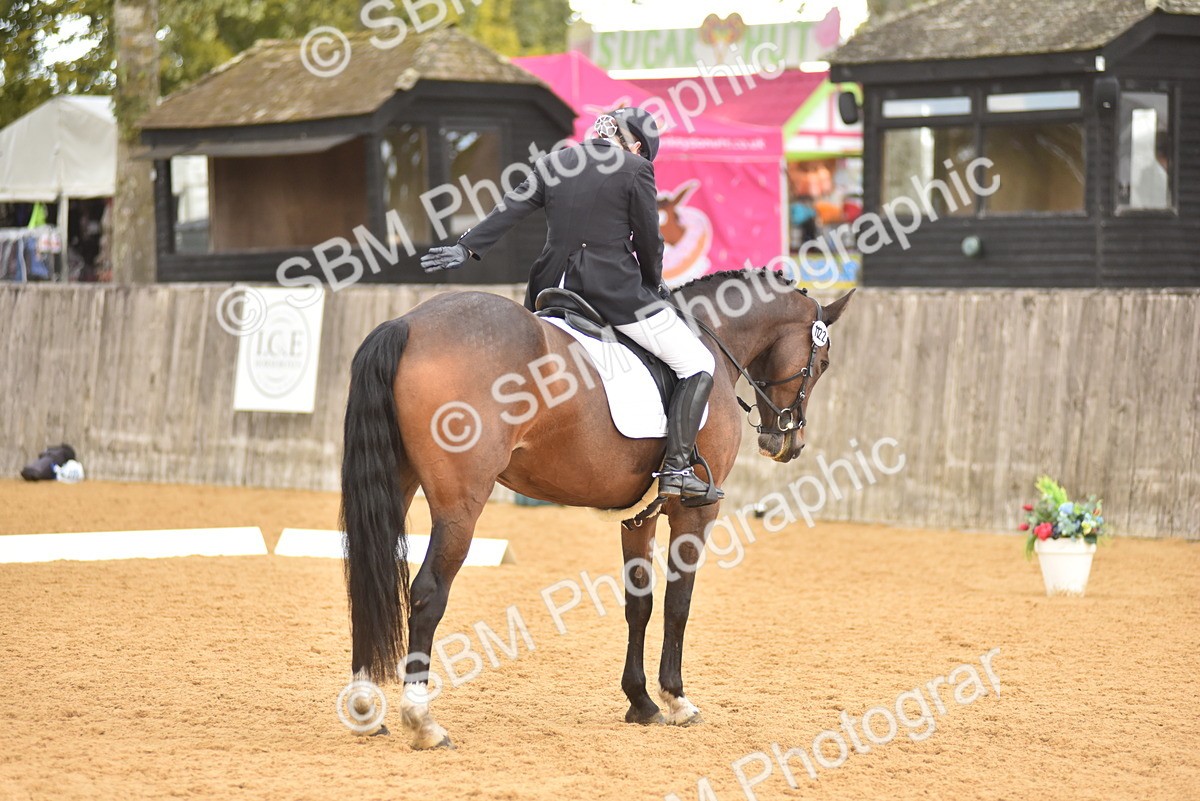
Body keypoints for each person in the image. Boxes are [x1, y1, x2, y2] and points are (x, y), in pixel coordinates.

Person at [420, 107, 722, 506]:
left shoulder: (556, 161)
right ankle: (677, 470)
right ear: (635, 146)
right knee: (697, 362)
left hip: (551, 288)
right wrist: (652, 285)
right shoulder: (636, 168)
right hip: (612, 293)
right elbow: (649, 240)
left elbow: (510, 208)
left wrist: (467, 247)